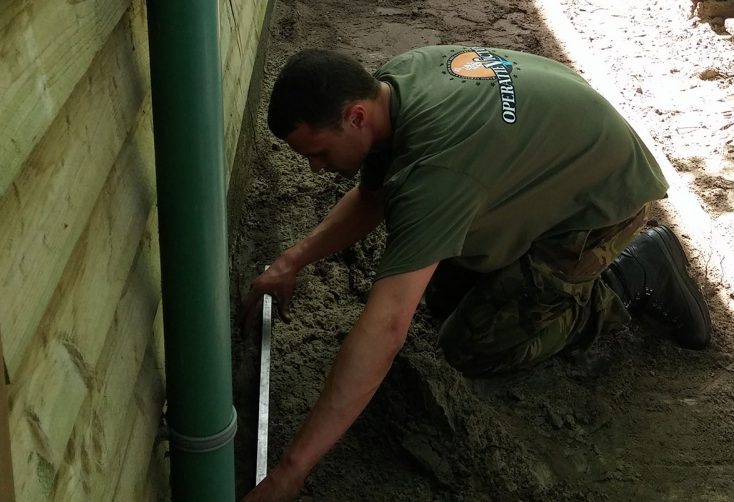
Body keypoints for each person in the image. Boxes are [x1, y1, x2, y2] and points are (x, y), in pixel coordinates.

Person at [241, 46, 711, 501]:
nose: (316, 168)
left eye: (319, 153)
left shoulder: (437, 175)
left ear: (356, 117)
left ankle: (639, 271)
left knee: (476, 343)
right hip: (559, 147)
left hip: (602, 199)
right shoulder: (395, 81)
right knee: (446, 293)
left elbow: (385, 329)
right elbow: (374, 196)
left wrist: (292, 470)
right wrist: (289, 263)